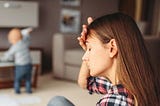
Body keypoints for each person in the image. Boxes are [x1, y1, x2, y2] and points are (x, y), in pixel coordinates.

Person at [48, 12, 159, 106]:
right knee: (58, 101)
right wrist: (89, 46)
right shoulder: (135, 83)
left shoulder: (113, 101)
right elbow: (85, 83)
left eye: (90, 49)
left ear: (112, 48)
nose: (84, 57)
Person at [0, 27, 33, 94]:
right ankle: (29, 91)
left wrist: (1, 58)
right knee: (28, 79)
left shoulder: (15, 46)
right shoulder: (25, 42)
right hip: (29, 64)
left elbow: (8, 55)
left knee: (17, 79)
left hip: (20, 66)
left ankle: (17, 91)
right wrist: (25, 32)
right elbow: (27, 35)